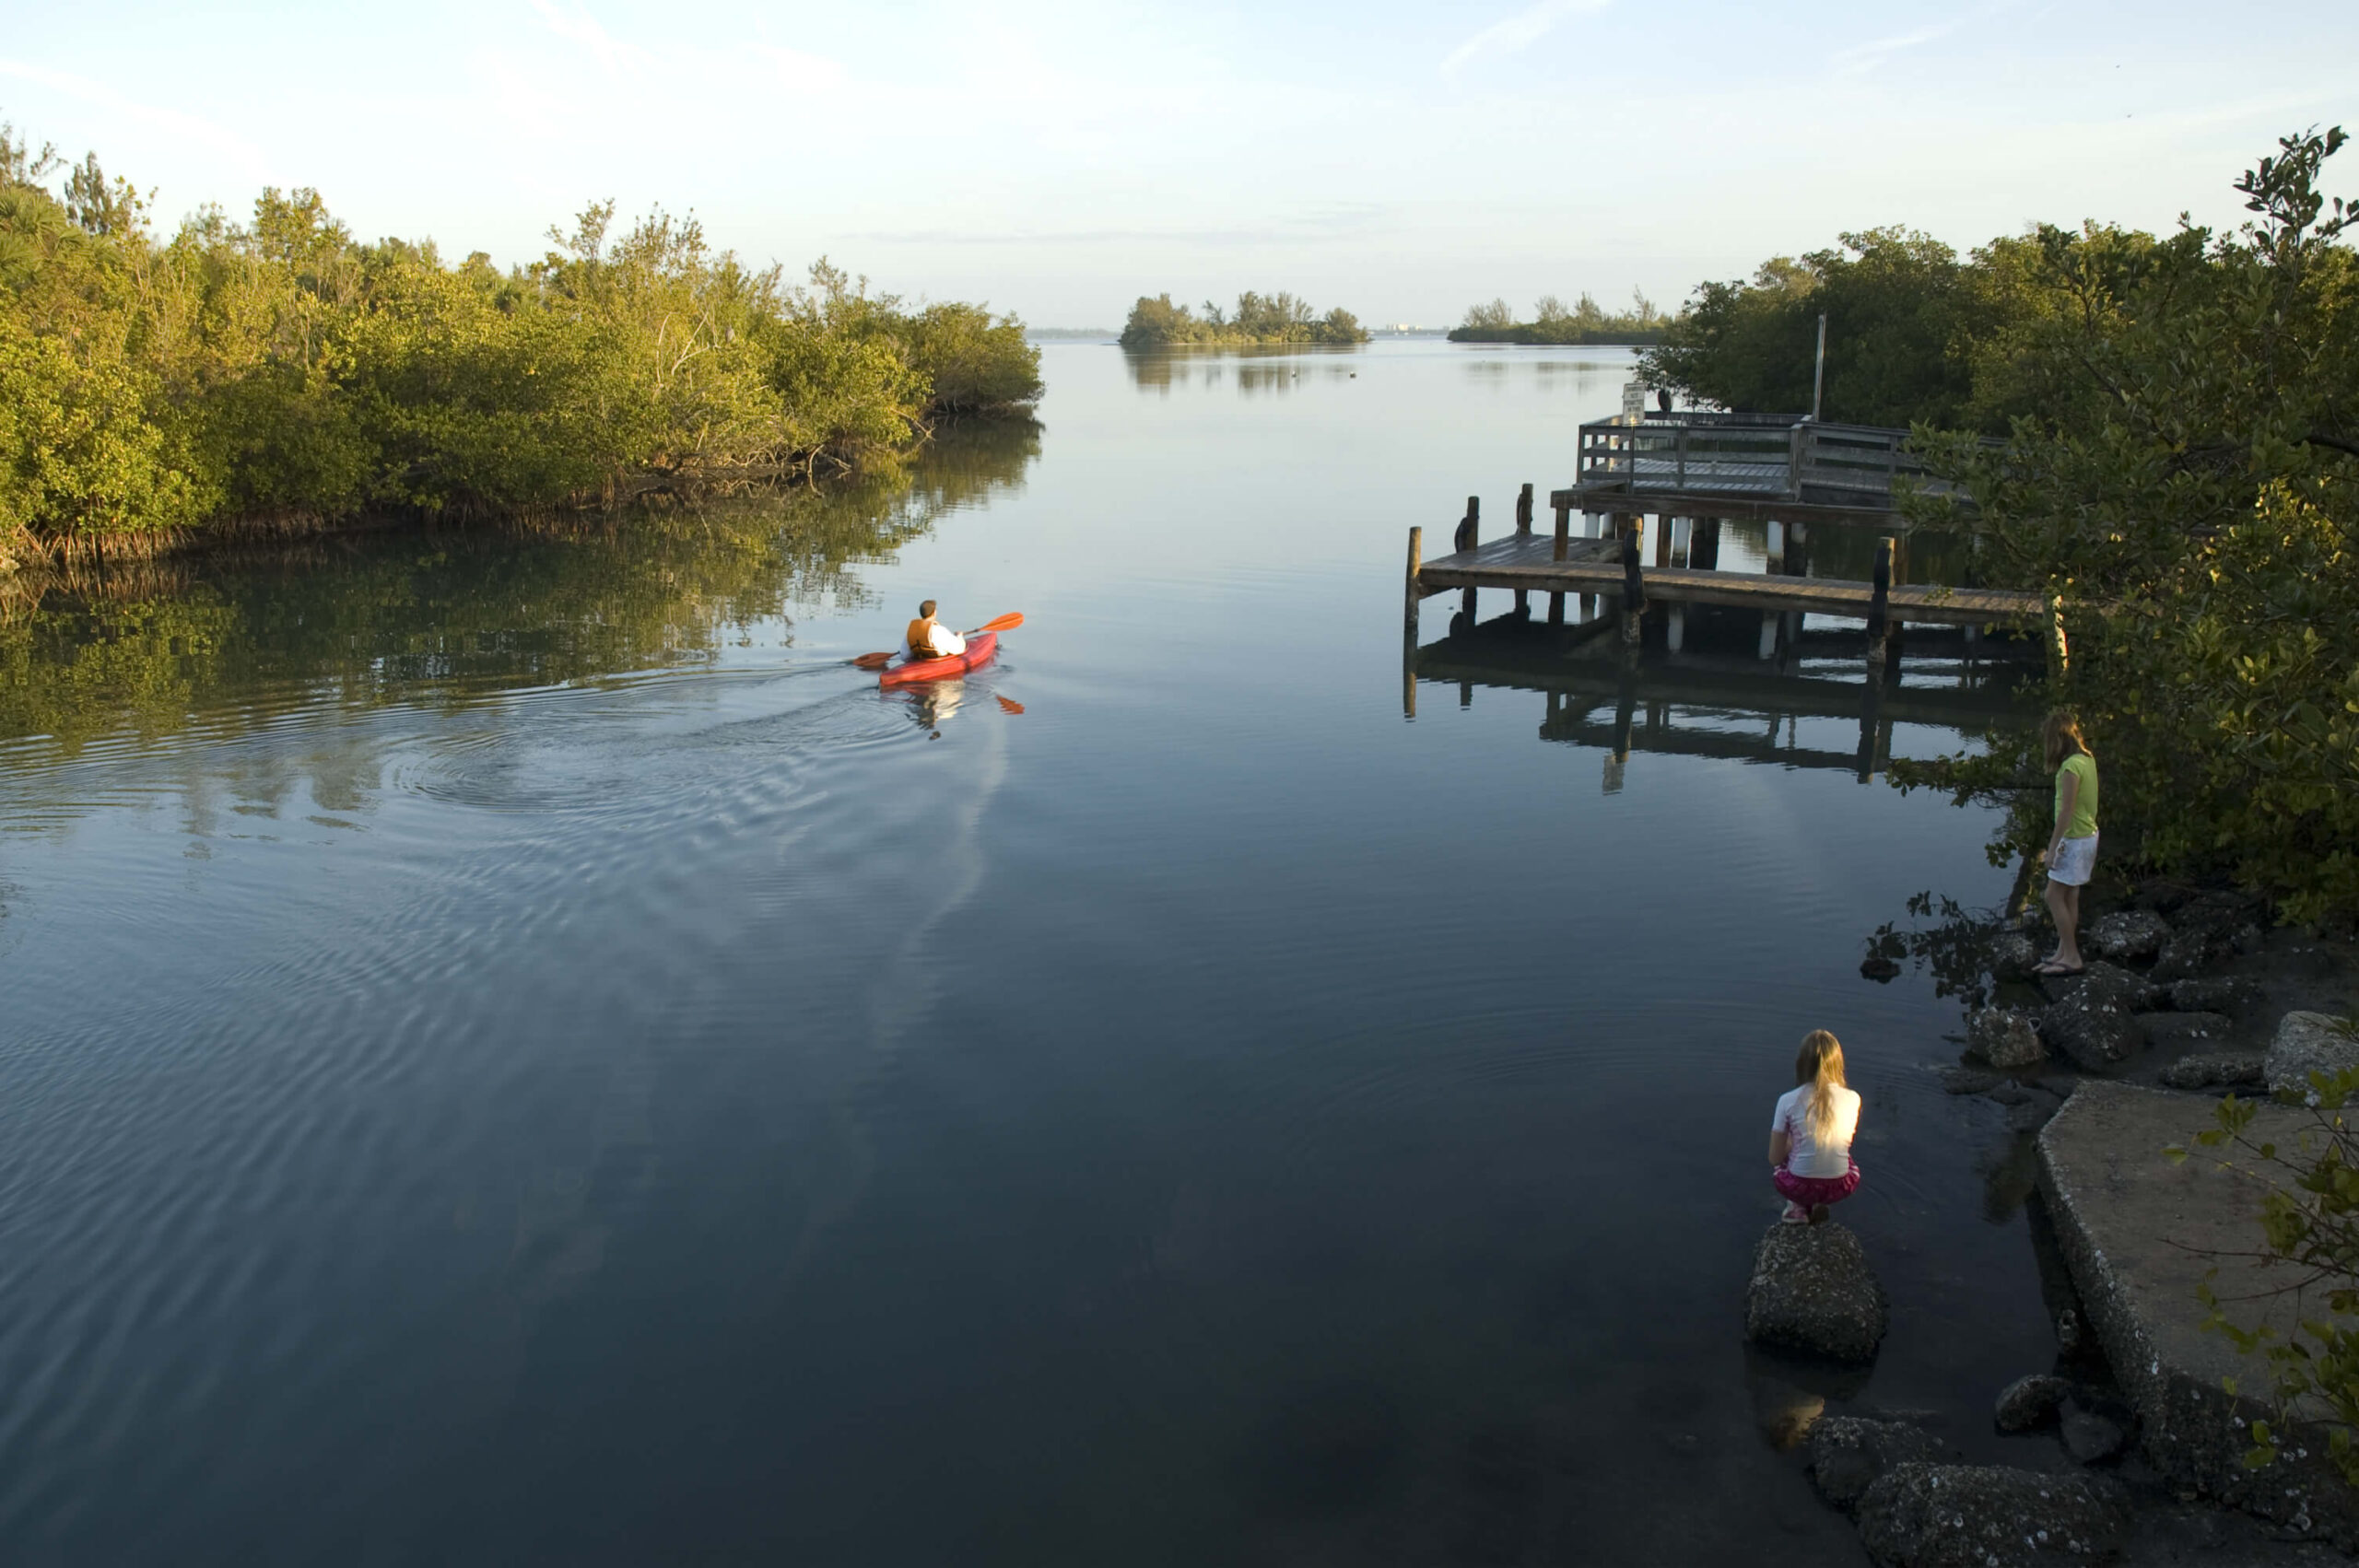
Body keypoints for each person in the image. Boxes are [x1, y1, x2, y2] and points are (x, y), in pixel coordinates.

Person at [1769, 1030, 1861, 1225]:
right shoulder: (1853, 1098)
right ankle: (1821, 1203)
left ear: (1801, 1064)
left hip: (1798, 1186)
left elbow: (1774, 1158)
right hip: (1840, 1186)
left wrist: (1791, 1143)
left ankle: (1798, 1209)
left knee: (1784, 1160)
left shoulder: (1787, 1100)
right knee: (1837, 1151)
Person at [2037, 711, 2100, 977]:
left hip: (2074, 839)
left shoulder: (2070, 768)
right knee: (2069, 894)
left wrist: (2052, 850)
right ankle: (2063, 952)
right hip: (2087, 835)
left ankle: (2072, 957)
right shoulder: (2086, 758)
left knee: (2052, 895)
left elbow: (2066, 811)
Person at [899, 600, 967, 663]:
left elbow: (904, 656)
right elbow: (959, 649)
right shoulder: (939, 630)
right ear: (934, 613)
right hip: (936, 662)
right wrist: (959, 636)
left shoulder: (912, 630)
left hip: (917, 662)